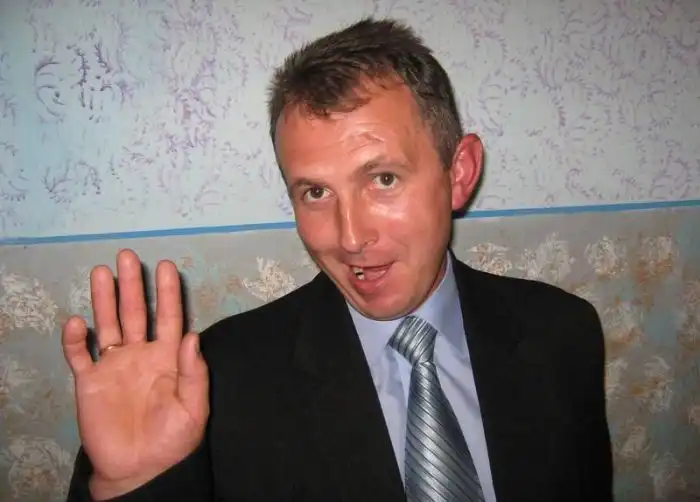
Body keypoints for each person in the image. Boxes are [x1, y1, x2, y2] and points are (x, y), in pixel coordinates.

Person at [62, 17, 613, 502]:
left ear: (460, 173)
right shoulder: (214, 382)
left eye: (383, 179)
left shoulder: (563, 333)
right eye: (316, 192)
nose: (350, 238)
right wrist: (133, 486)